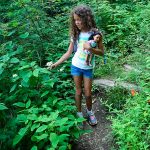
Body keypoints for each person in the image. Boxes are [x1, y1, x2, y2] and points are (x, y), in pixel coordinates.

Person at [47, 5, 104, 126]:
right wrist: (56, 64)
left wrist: (91, 49)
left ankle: (90, 112)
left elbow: (102, 53)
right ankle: (79, 115)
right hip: (76, 66)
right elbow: (68, 53)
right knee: (78, 92)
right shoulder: (75, 34)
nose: (77, 22)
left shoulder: (95, 33)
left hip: (88, 68)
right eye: (75, 20)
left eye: (79, 19)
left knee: (88, 93)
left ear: (86, 18)